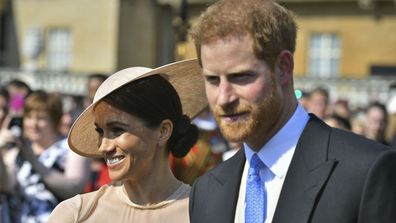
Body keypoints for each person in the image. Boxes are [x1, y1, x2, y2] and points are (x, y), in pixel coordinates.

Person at [188, 0, 396, 223]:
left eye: (240, 77)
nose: (223, 97)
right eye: (212, 80)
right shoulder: (206, 191)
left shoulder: (365, 172)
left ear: (284, 67)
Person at [48, 59, 207, 222]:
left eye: (118, 130)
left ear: (163, 131)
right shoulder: (76, 214)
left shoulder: (205, 213)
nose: (104, 146)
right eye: (100, 132)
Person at [0, 90, 89, 223]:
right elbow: (6, 185)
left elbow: (74, 188)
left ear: (55, 120)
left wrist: (35, 163)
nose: (33, 124)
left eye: (41, 118)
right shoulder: (17, 150)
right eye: (29, 117)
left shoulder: (71, 148)